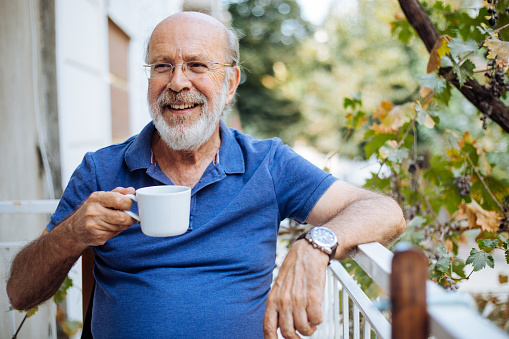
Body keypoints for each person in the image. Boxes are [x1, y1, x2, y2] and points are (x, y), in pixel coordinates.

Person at [6, 12, 406, 339]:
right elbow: (20, 292)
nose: (177, 82)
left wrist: (316, 244)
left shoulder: (267, 163)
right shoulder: (102, 169)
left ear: (229, 83)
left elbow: (384, 211)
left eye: (196, 65)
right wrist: (73, 232)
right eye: (163, 66)